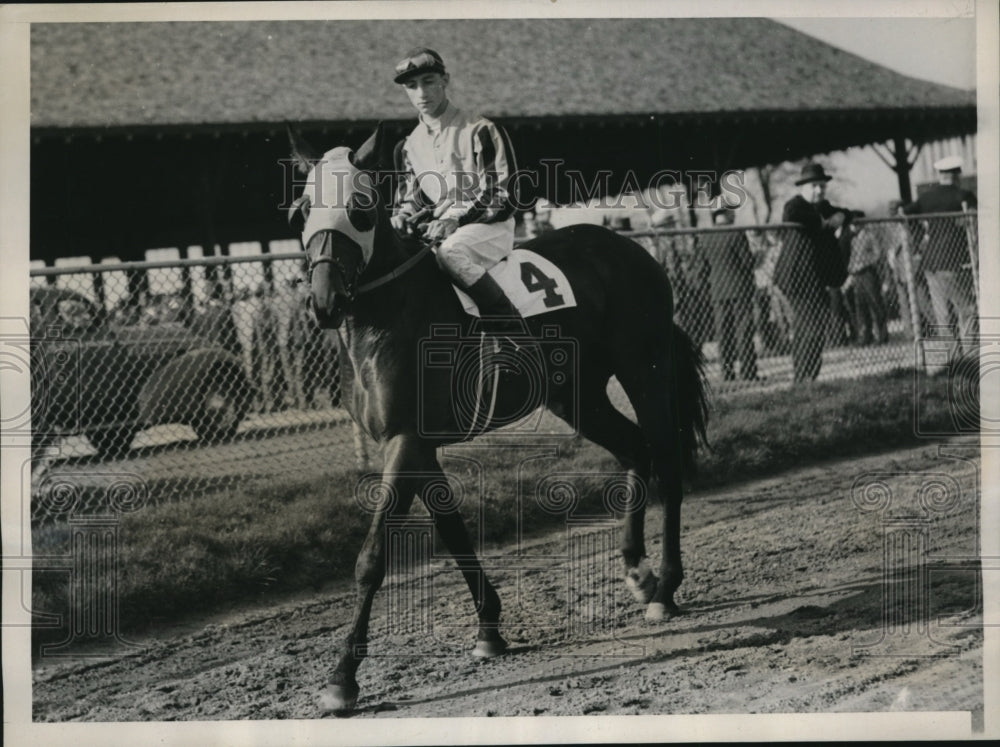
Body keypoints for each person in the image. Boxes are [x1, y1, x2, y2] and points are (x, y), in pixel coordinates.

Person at [390, 47, 524, 337]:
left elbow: (504, 195)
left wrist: (455, 221)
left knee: (450, 254)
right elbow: (409, 201)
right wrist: (401, 217)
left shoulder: (480, 129)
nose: (421, 93)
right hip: (438, 229)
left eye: (428, 81)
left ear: (445, 80)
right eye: (411, 86)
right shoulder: (408, 146)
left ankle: (511, 329)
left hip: (487, 226)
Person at [776, 163, 849, 382]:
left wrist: (841, 217)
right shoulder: (796, 205)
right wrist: (822, 222)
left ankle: (806, 378)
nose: (819, 191)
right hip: (795, 280)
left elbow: (847, 212)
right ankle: (804, 377)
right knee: (811, 326)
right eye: (814, 186)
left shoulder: (823, 206)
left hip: (815, 279)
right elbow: (793, 214)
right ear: (803, 188)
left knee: (810, 328)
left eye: (822, 187)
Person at [901, 155, 978, 355]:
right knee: (967, 308)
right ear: (957, 175)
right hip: (953, 261)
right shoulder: (964, 195)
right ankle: (970, 353)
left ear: (940, 175)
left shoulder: (927, 197)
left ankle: (953, 356)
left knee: (942, 312)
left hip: (930, 261)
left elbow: (904, 213)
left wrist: (918, 236)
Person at [700, 207, 758, 380]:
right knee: (744, 332)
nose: (735, 214)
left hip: (718, 291)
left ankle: (727, 372)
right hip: (740, 290)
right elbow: (747, 262)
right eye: (732, 211)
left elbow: (703, 266)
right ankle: (748, 372)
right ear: (726, 213)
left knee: (724, 334)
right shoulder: (736, 233)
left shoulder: (705, 236)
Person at [840, 217, 888, 345]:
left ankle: (882, 335)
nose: (853, 228)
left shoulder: (869, 236)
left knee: (875, 303)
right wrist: (850, 268)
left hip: (868, 273)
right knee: (860, 305)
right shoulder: (854, 240)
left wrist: (864, 263)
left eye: (855, 225)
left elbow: (877, 254)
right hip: (857, 275)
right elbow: (853, 257)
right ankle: (866, 335)